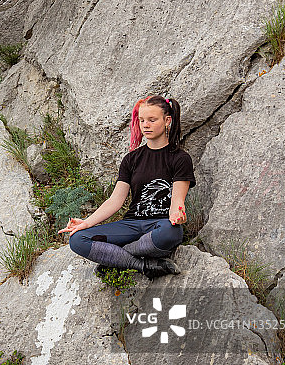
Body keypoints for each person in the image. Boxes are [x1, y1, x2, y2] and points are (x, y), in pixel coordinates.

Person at [59, 94, 196, 279]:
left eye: (152, 120)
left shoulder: (180, 158)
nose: (145, 125)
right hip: (131, 225)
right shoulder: (131, 159)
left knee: (171, 232)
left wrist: (177, 214)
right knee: (77, 239)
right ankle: (142, 265)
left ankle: (117, 256)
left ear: (167, 121)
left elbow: (177, 200)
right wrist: (87, 222)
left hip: (159, 225)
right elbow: (115, 200)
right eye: (141, 120)